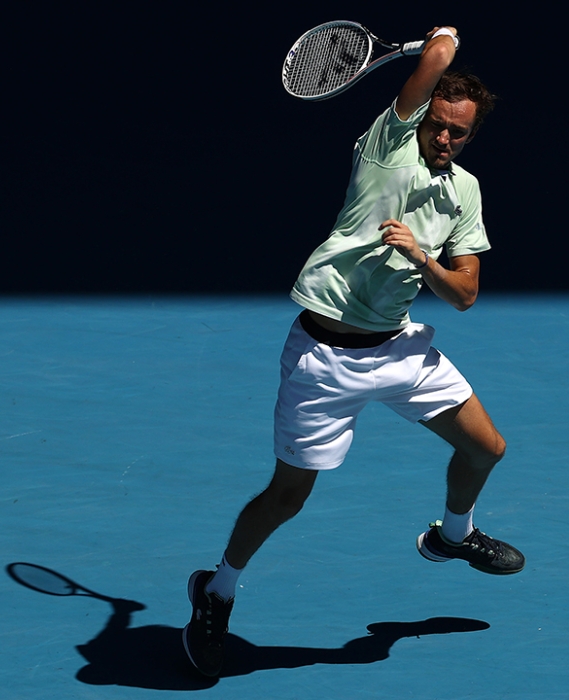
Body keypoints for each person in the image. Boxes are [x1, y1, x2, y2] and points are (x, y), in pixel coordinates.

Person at [183, 25, 523, 677]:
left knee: (486, 448)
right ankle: (216, 590)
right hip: (325, 359)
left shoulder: (466, 191)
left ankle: (453, 537)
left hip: (398, 349)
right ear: (420, 118)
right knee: (287, 498)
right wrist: (443, 39)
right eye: (438, 125)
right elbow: (436, 61)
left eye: (459, 133)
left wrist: (421, 257)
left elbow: (464, 295)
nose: (445, 139)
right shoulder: (385, 148)